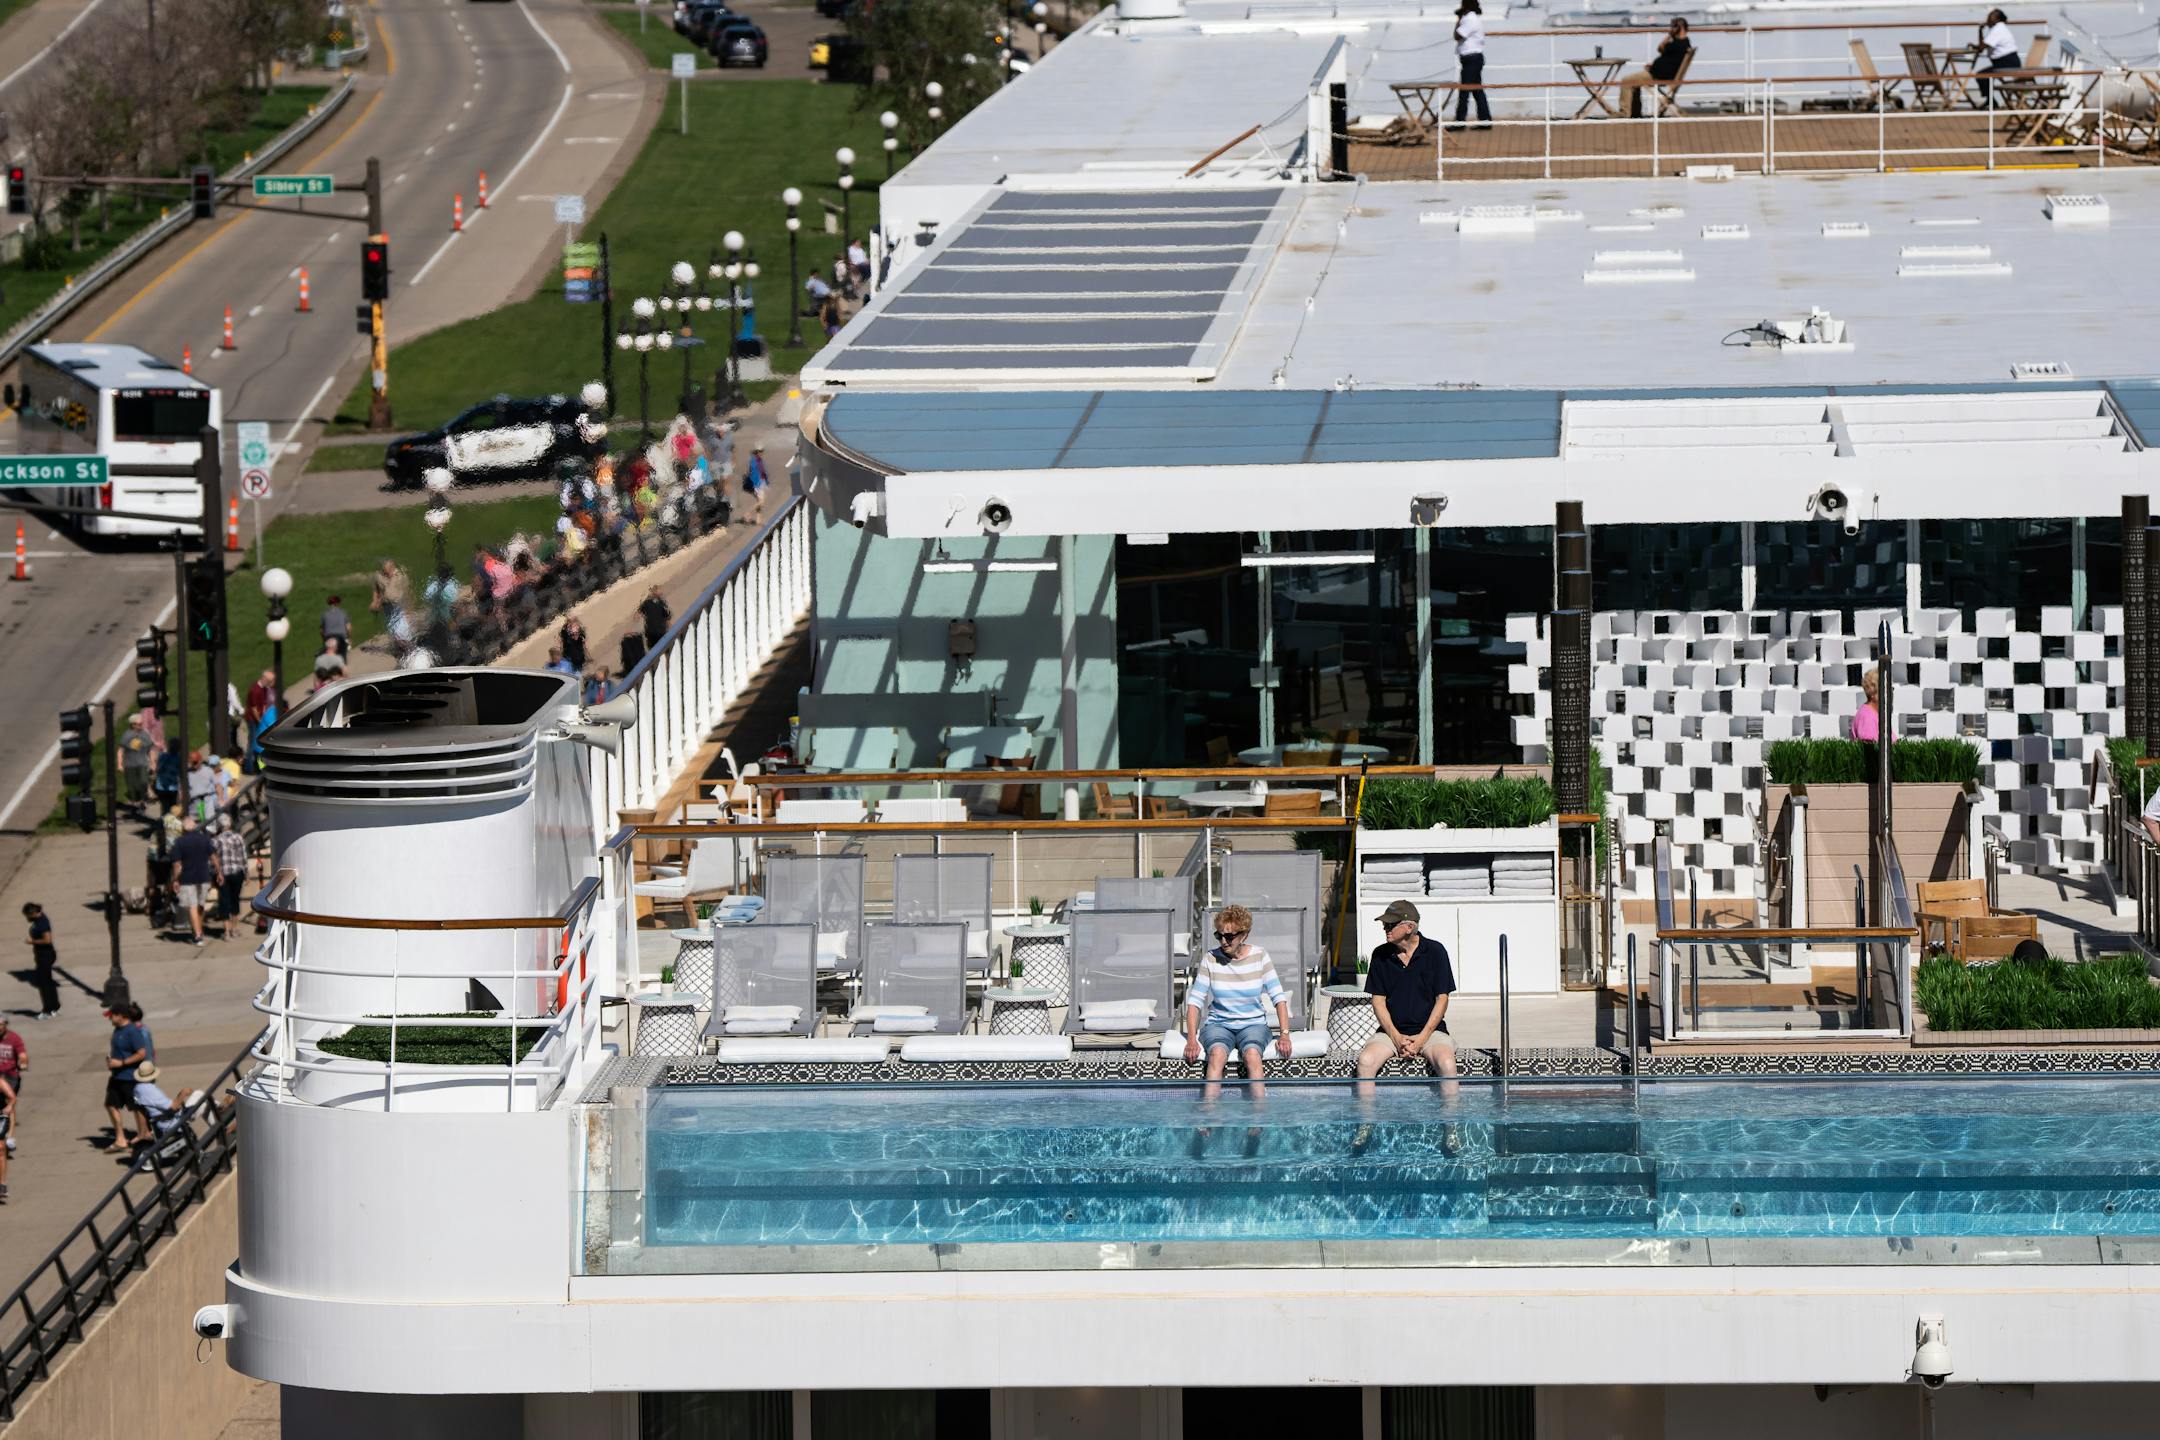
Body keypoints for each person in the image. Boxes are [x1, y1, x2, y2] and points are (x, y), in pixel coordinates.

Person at [1181, 905, 1294, 1081]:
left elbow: (1279, 998)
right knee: (1217, 1055)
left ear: (1244, 935)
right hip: (1218, 1025)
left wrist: (1285, 1034)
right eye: (1219, 935)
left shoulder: (1260, 956)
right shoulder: (1211, 959)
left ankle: (1258, 1108)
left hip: (1254, 1025)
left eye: (1229, 936)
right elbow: (1194, 1002)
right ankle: (1209, 1107)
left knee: (1252, 1055)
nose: (1223, 941)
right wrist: (1191, 1040)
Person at [1356, 901, 1460, 1083]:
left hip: (1431, 1032)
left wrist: (1421, 1040)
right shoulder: (1380, 955)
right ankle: (1367, 1112)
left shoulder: (1435, 952)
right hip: (1391, 1033)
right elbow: (1378, 1002)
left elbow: (1442, 999)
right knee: (1366, 1061)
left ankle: (1450, 1112)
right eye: (1384, 925)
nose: (1385, 929)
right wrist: (1396, 1038)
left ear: (1409, 927)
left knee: (1447, 1063)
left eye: (1390, 925)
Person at [1619, 18, 1691, 119]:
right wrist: (1653, 67)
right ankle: (1634, 113)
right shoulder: (1683, 43)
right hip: (1658, 73)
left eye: (1673, 26)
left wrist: (1669, 35)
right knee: (1633, 81)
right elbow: (1669, 59)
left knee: (1626, 81)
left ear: (1680, 27)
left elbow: (1660, 48)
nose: (1671, 28)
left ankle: (1624, 113)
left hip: (1657, 76)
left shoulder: (1678, 44)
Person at [103, 1005, 152, 1149]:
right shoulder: (117, 1030)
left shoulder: (132, 1032)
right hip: (117, 1076)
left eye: (112, 1015)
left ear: (121, 1016)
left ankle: (144, 1134)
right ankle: (120, 1139)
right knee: (110, 1105)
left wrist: (122, 1062)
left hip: (130, 1077)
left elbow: (141, 1053)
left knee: (136, 1107)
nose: (110, 1018)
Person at [171, 816, 217, 947]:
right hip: (204, 877)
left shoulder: (179, 842)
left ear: (183, 828)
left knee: (193, 906)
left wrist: (175, 880)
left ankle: (197, 935)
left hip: (187, 878)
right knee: (200, 905)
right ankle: (198, 929)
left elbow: (177, 864)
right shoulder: (204, 839)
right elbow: (213, 856)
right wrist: (219, 872)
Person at [1448, 0, 1491, 129]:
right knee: (1477, 90)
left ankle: (1460, 122)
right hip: (1472, 59)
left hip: (1472, 59)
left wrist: (1458, 19)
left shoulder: (1470, 19)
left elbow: (1457, 35)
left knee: (1464, 91)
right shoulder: (1470, 18)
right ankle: (1485, 120)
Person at [22, 902, 59, 1019]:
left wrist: (32, 941)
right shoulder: (39, 920)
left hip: (45, 955)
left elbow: (47, 940)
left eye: (28, 915)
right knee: (47, 981)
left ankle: (47, 1010)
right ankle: (54, 1006)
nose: (27, 918)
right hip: (44, 955)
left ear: (33, 913)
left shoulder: (42, 922)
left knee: (44, 983)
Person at [213, 814, 250, 925]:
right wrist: (247, 873)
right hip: (237, 872)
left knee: (224, 900)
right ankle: (234, 927)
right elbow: (243, 857)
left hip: (222, 873)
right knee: (235, 899)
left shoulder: (216, 840)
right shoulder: (238, 837)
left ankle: (227, 930)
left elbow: (213, 860)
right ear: (230, 824)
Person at [1976, 8, 2018, 105]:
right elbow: (1982, 46)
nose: (1988, 19)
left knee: (1982, 76)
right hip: (2006, 62)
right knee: (1983, 76)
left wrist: (1980, 30)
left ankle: (1991, 102)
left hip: (2007, 63)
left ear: (1997, 19)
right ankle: (1990, 101)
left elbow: (1982, 47)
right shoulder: (1998, 28)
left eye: (1990, 17)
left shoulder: (1998, 29)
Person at [118, 712, 154, 805]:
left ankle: (143, 799)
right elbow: (121, 751)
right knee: (132, 787)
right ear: (133, 725)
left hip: (142, 763)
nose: (141, 726)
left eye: (142, 723)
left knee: (143, 782)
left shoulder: (145, 734)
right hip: (130, 765)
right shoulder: (126, 736)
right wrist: (119, 764)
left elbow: (150, 749)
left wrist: (153, 763)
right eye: (139, 724)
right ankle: (134, 802)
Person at [370, 558, 410, 637]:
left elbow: (407, 591)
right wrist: (375, 601)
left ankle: (406, 644)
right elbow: (376, 590)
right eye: (384, 570)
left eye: (388, 570)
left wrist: (408, 608)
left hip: (399, 604)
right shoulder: (378, 576)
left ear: (392, 567)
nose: (386, 573)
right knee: (392, 628)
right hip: (386, 605)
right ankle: (400, 644)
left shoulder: (401, 575)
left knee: (402, 628)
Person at [0, 1016, 21, 1152]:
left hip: (10, 1075)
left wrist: (23, 1061)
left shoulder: (14, 1038)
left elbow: (22, 1054)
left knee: (8, 1102)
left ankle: (10, 1137)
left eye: (0, 1025)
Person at [1850, 667, 1882, 742]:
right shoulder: (1867, 717)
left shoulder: (1875, 713)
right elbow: (1869, 747)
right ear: (1873, 694)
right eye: (1884, 690)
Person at [745, 445, 770, 515]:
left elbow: (763, 472)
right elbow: (752, 473)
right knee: (761, 502)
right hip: (757, 483)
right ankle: (748, 513)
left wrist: (766, 481)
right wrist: (755, 483)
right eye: (759, 452)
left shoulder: (759, 460)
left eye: (761, 451)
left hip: (762, 482)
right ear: (756, 452)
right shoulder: (753, 461)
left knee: (760, 502)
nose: (761, 453)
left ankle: (758, 519)